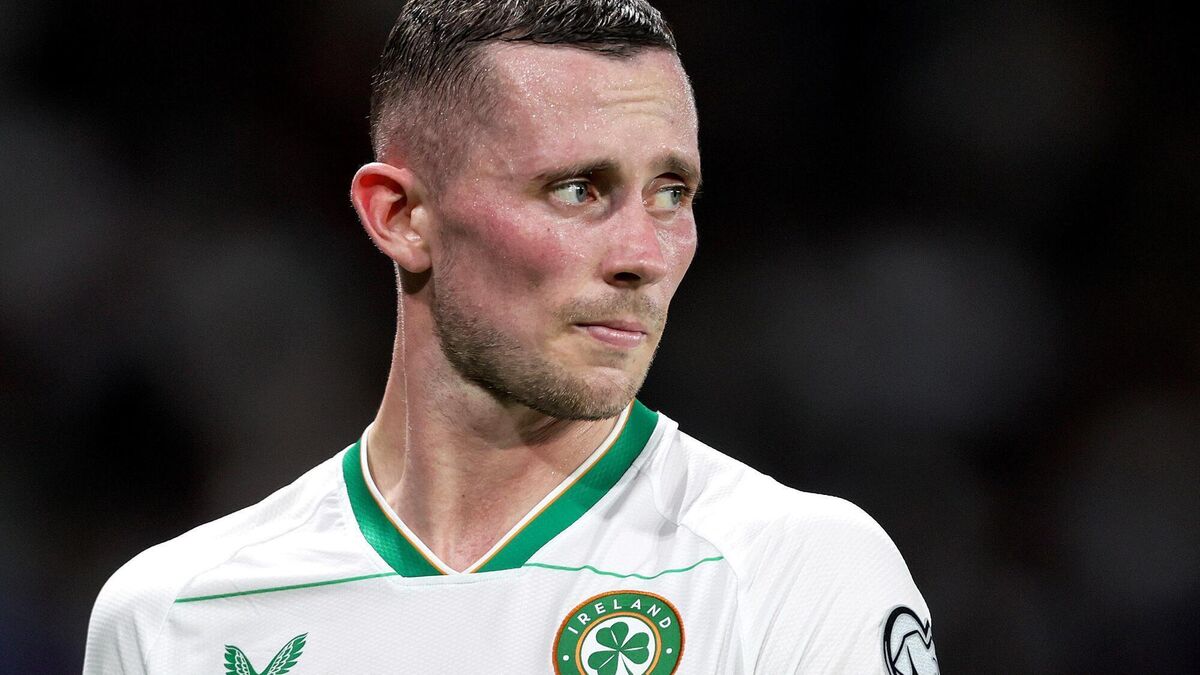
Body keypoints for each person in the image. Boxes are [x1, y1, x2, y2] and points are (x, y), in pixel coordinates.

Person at [84, 1, 937, 672]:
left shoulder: (793, 571)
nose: (644, 255)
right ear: (401, 215)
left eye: (671, 193)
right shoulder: (173, 615)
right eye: (578, 189)